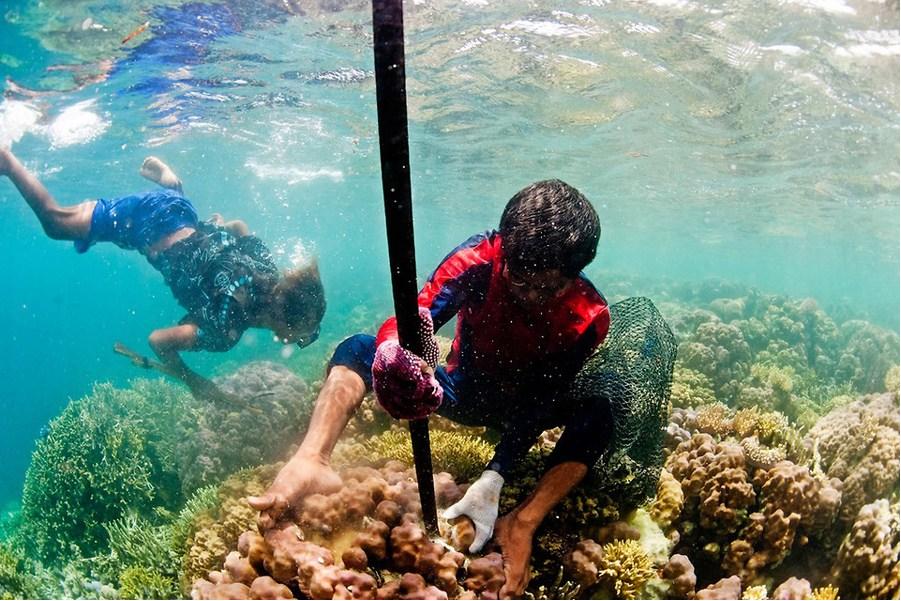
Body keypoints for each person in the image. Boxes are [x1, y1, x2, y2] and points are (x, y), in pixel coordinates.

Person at [248, 179, 612, 598]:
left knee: (599, 412)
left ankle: (523, 522)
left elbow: (542, 398)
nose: (530, 296)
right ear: (505, 251)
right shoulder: (479, 259)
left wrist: (495, 476)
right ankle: (312, 458)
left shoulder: (588, 315)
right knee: (357, 349)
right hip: (457, 391)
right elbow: (414, 316)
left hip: (524, 406)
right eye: (519, 280)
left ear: (574, 275)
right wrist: (392, 355)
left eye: (547, 287)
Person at [0, 148, 325, 400]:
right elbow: (158, 341)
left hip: (181, 214)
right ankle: (7, 160)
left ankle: (172, 186)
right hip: (143, 224)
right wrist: (195, 383)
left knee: (179, 213)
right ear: (285, 322)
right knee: (57, 224)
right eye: (303, 336)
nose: (300, 340)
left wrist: (215, 237)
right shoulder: (227, 328)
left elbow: (238, 227)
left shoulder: (267, 270)